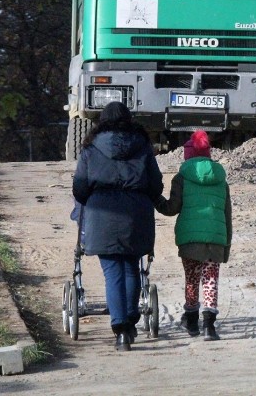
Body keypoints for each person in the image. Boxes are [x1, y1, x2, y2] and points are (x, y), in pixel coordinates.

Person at [72, 102, 163, 351]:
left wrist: (89, 201)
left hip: (102, 214)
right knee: (132, 267)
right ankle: (131, 322)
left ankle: (121, 330)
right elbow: (155, 184)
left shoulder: (91, 148)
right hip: (136, 214)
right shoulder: (143, 146)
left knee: (113, 271)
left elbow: (80, 187)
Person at [156, 130, 232, 341]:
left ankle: (191, 323)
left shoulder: (181, 178)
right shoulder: (220, 179)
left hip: (190, 239)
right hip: (216, 238)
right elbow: (227, 214)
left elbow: (172, 208)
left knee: (192, 280)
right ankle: (209, 327)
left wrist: (155, 200)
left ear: (187, 155)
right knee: (211, 280)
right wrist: (226, 245)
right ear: (208, 154)